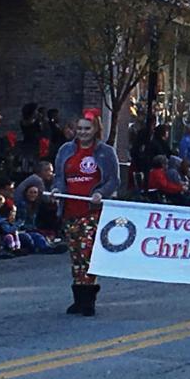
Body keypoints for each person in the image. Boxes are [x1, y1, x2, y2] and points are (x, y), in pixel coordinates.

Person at [53, 112, 120, 317]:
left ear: (95, 130)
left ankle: (88, 298)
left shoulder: (105, 152)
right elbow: (58, 176)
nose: (83, 132)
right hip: (70, 209)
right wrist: (57, 190)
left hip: (92, 210)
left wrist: (100, 193)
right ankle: (78, 297)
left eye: (87, 129)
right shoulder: (66, 150)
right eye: (80, 128)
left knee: (87, 252)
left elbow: (113, 180)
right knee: (75, 255)